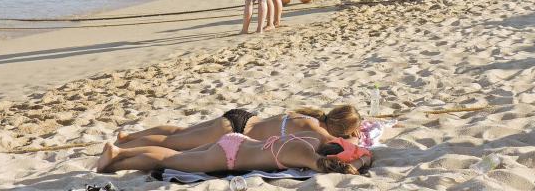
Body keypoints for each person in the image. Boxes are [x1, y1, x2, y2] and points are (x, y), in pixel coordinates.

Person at [97, 130, 371, 175]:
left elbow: (341, 146)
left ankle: (122, 149)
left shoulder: (309, 139)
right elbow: (339, 169)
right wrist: (363, 159)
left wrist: (357, 150)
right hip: (229, 157)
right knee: (169, 160)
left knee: (173, 153)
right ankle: (112, 165)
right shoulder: (307, 156)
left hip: (236, 141)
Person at [114, 105, 362, 151]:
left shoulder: (310, 114)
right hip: (235, 130)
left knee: (179, 132)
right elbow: (343, 148)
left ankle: (129, 136)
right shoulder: (319, 131)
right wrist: (354, 138)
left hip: (241, 116)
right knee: (171, 145)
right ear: (341, 129)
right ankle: (127, 144)